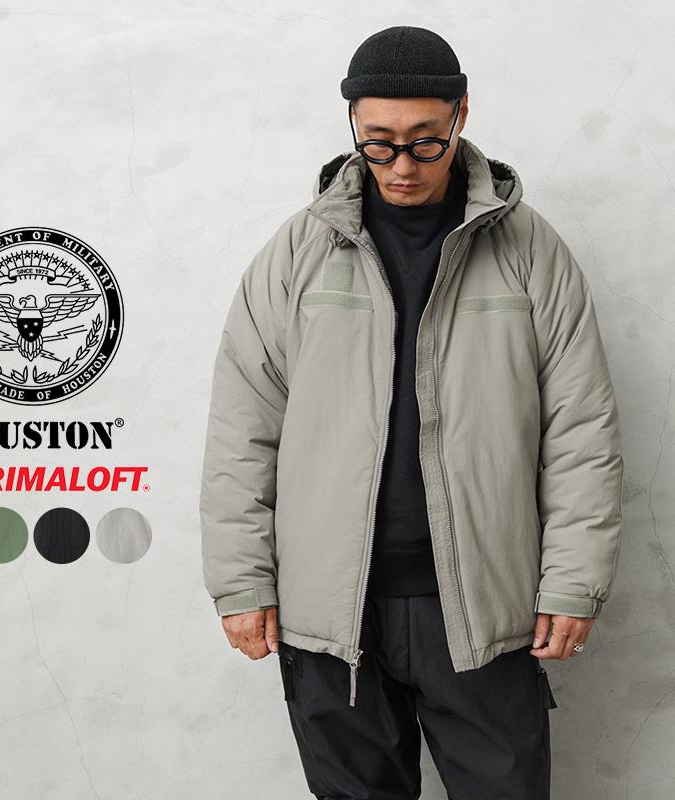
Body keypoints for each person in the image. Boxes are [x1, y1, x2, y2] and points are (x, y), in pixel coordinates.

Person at [199, 24, 624, 800]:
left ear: (461, 116)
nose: (401, 166)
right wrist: (241, 581)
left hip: (485, 605)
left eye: (425, 142)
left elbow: (581, 431)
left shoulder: (531, 252)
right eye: (378, 144)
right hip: (332, 609)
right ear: (353, 125)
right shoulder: (297, 253)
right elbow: (243, 426)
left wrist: (573, 583)